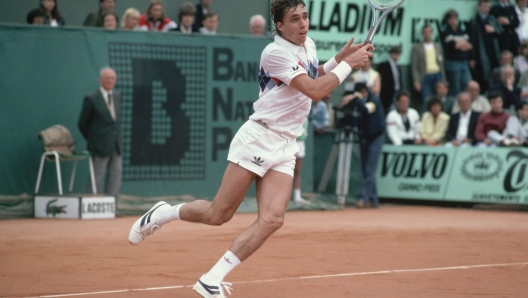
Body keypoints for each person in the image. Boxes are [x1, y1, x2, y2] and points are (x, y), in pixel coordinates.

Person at [128, 1, 373, 298]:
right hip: (259, 138)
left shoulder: (307, 44)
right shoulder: (274, 52)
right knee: (218, 215)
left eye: (305, 17)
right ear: (279, 26)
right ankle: (164, 213)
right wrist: (350, 64)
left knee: (273, 219)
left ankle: (211, 279)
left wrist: (338, 60)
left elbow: (312, 74)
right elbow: (315, 90)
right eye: (294, 19)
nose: (303, 24)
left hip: (285, 144)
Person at [339, 82, 385, 208]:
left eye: (360, 94)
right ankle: (373, 199)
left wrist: (355, 99)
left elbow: (366, 109)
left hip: (376, 138)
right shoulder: (358, 101)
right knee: (366, 170)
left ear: (364, 92)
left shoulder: (374, 100)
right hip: (364, 137)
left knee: (369, 170)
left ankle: (363, 198)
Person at [78, 67, 122, 196]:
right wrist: (94, 139)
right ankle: (93, 206)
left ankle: (112, 208)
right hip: (99, 145)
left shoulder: (117, 96)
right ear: (100, 80)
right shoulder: (91, 98)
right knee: (97, 175)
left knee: (116, 174)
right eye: (107, 78)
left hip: (116, 144)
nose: (110, 80)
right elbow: (82, 123)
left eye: (113, 78)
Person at [468, 0, 503, 93]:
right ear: (479, 7)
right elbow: (472, 40)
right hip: (481, 54)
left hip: (494, 53)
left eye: (488, 7)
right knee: (483, 76)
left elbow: (501, 33)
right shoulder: (474, 21)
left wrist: (494, 30)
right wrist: (472, 57)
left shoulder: (492, 19)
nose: (486, 9)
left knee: (496, 74)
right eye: (484, 6)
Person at [411, 24, 446, 112]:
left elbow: (441, 63)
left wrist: (443, 79)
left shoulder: (437, 46)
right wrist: (416, 81)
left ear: (432, 33)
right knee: (427, 99)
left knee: (440, 98)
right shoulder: (417, 47)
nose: (427, 34)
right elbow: (414, 66)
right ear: (422, 34)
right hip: (425, 76)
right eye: (425, 32)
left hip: (437, 74)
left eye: (429, 32)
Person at [441, 9, 473, 97]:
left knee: (468, 85)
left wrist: (459, 43)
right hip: (453, 63)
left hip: (464, 62)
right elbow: (455, 46)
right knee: (455, 88)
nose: (453, 20)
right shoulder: (446, 32)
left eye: (454, 18)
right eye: (451, 18)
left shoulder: (461, 31)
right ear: (447, 20)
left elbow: (469, 45)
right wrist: (462, 43)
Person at [376, 45, 402, 114]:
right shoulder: (383, 66)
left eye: (398, 54)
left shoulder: (397, 66)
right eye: (395, 54)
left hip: (396, 93)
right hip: (387, 95)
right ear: (391, 54)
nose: (397, 56)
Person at [292, 119, 310, 204]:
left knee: (297, 171)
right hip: (289, 143)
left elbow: (305, 132)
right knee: (284, 171)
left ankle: (297, 196)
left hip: (300, 144)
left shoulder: (305, 117)